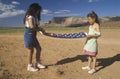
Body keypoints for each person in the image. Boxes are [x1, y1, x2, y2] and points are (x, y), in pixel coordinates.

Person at [23, 3, 46, 72]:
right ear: (34, 10)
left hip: (33, 35)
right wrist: (40, 30)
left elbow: (35, 26)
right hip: (29, 35)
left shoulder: (33, 17)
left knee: (39, 48)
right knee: (31, 50)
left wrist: (41, 30)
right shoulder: (30, 17)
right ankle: (29, 66)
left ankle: (38, 63)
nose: (39, 12)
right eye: (38, 10)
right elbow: (32, 26)